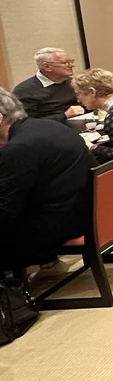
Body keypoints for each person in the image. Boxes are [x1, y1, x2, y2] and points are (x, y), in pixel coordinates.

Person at [0, 88, 94, 270]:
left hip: (58, 227)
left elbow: (5, 210)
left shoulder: (19, 148)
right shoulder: (47, 126)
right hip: (85, 212)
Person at [12, 47, 83, 122]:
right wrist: (64, 116)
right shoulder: (24, 91)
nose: (71, 65)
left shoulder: (72, 82)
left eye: (71, 61)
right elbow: (27, 123)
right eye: (65, 63)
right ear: (47, 67)